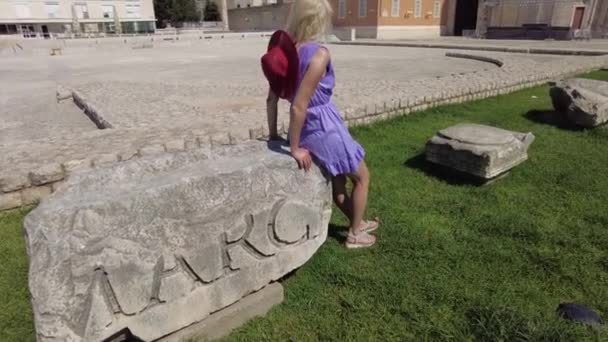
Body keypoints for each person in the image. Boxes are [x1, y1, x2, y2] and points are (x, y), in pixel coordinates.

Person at [261, 0, 379, 248]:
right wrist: (293, 149)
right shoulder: (319, 53)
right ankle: (355, 234)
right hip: (325, 127)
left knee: (338, 180)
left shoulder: (285, 52)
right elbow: (299, 106)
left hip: (308, 130)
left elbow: (272, 99)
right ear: (317, 19)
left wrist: (274, 134)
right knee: (362, 177)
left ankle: (356, 220)